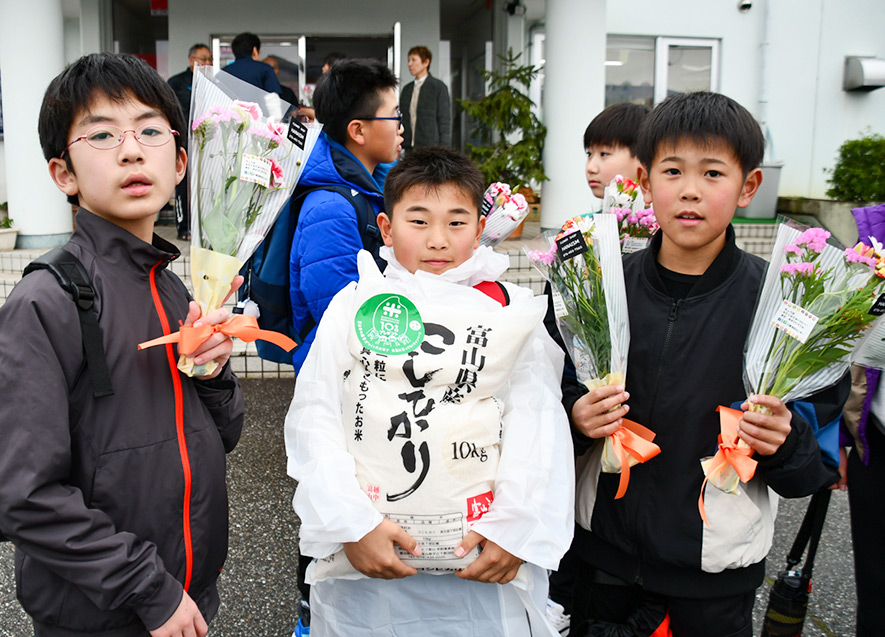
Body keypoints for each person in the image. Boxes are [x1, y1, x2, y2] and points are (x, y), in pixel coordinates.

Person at [562, 92, 849, 637]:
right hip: (602, 565)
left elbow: (815, 466)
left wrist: (783, 441)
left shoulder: (785, 309)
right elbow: (544, 408)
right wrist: (576, 420)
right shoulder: (600, 290)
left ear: (749, 187)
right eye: (673, 170)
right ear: (645, 182)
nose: (690, 189)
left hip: (714, 581)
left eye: (713, 172)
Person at [0, 53, 245, 637]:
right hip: (103, 612)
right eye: (102, 134)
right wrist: (149, 589)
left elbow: (223, 435)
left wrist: (212, 377)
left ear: (181, 162)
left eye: (151, 130)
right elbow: (22, 493)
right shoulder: (49, 299)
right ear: (64, 173)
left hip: (188, 595)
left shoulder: (169, 280)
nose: (132, 150)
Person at [285, 147, 574, 636]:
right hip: (368, 563)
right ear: (386, 226)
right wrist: (351, 524)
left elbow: (538, 424)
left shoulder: (508, 309)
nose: (438, 240)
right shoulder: (356, 304)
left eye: (456, 222)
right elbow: (317, 415)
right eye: (418, 221)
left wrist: (514, 528)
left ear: (480, 229)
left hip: (481, 564)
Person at [544, 101, 653, 633]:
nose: (591, 164)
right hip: (591, 442)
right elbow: (557, 342)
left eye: (606, 152)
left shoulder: (663, 243)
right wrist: (571, 410)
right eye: (588, 152)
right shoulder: (579, 237)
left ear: (645, 163)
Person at [288, 57, 402, 372]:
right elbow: (341, 315)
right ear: (358, 131)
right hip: (340, 374)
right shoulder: (330, 209)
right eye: (395, 116)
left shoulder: (369, 186)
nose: (401, 127)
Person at [838, 203, 885, 637]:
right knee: (876, 585)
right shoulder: (876, 236)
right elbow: (845, 342)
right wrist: (839, 434)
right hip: (879, 442)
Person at [167, 43, 212, 241]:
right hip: (183, 142)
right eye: (204, 59)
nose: (208, 62)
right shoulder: (176, 82)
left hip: (207, 143)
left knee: (207, 184)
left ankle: (206, 228)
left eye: (210, 59)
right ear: (192, 60)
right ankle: (184, 227)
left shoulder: (212, 83)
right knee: (183, 185)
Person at [583, 102, 651, 202]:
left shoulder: (661, 217)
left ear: (642, 158)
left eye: (604, 154)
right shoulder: (585, 218)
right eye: (589, 154)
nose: (591, 168)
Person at [399, 46, 451, 153]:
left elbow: (444, 120)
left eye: (414, 60)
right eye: (409, 60)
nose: (410, 64)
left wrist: (444, 149)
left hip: (430, 147)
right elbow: (401, 119)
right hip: (408, 146)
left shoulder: (438, 87)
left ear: (426, 62)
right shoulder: (407, 89)